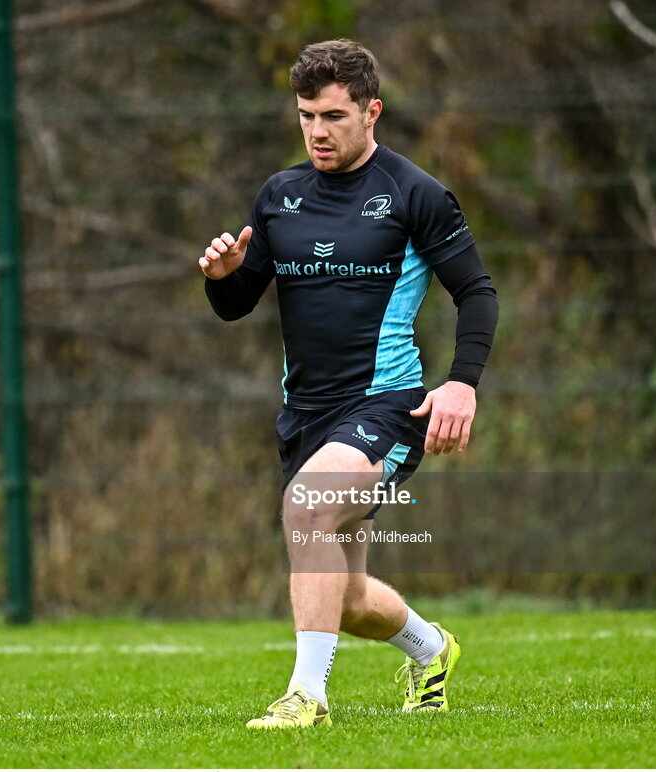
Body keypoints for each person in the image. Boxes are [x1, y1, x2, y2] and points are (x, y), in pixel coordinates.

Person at [199, 39, 498, 729]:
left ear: (373, 112)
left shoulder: (414, 194)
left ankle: (308, 698)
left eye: (333, 115)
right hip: (304, 414)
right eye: (306, 115)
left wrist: (462, 384)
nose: (317, 131)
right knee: (350, 597)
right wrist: (221, 279)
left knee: (307, 510)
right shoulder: (280, 196)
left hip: (386, 408)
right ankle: (432, 649)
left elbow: (477, 294)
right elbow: (240, 302)